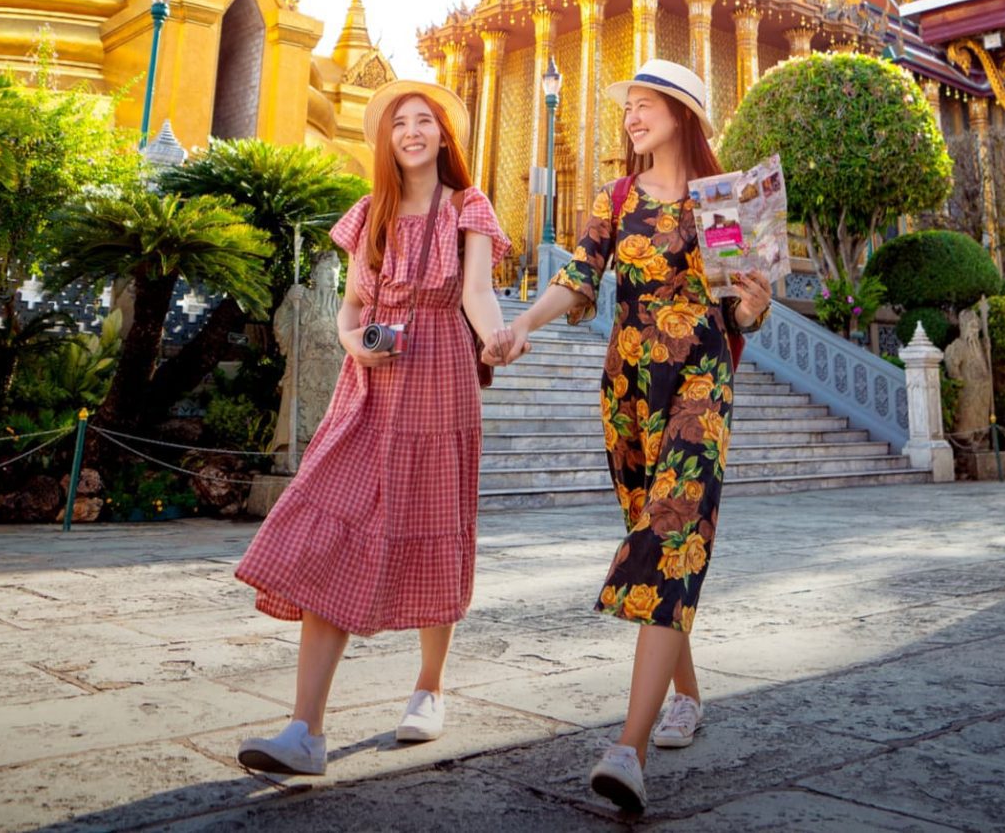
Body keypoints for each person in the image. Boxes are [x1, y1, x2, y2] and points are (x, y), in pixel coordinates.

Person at [492, 59, 774, 815]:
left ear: (683, 114)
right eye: (630, 108)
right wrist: (519, 323)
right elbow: (578, 278)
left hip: (699, 383)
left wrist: (751, 303)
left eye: (646, 106)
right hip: (627, 389)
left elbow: (742, 311)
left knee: (674, 532)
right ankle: (687, 693)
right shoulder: (615, 198)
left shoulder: (718, 200)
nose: (632, 117)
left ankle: (629, 748)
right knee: (655, 537)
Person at [232, 80, 512, 776]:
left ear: (446, 136)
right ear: (385, 140)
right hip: (370, 388)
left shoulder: (467, 207)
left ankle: (429, 688)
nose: (412, 132)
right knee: (332, 528)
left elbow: (476, 293)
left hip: (442, 376)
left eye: (425, 121)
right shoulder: (371, 214)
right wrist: (355, 343)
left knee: (433, 523)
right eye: (399, 124)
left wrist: (501, 338)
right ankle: (306, 730)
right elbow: (352, 305)